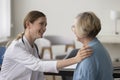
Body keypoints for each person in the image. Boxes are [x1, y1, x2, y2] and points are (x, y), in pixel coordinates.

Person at [0, 10, 92, 80]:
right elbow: (39, 65)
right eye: (41, 24)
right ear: (28, 24)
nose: (44, 28)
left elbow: (39, 74)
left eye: (45, 25)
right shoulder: (16, 47)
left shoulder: (33, 47)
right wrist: (75, 59)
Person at [71, 12, 113, 80]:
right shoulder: (98, 46)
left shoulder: (88, 54)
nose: (73, 30)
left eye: (74, 26)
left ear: (82, 29)